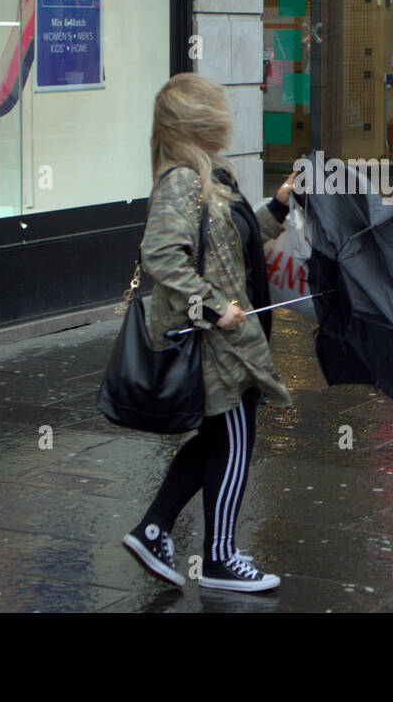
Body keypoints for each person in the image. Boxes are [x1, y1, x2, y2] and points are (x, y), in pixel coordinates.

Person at [123, 72, 297, 593]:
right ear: (198, 123)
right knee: (235, 440)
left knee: (215, 437)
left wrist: (281, 205)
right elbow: (160, 257)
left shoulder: (209, 174)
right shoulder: (181, 179)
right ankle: (220, 558)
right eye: (216, 112)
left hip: (229, 337)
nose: (227, 120)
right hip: (218, 343)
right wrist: (215, 307)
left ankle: (152, 529)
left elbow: (232, 244)